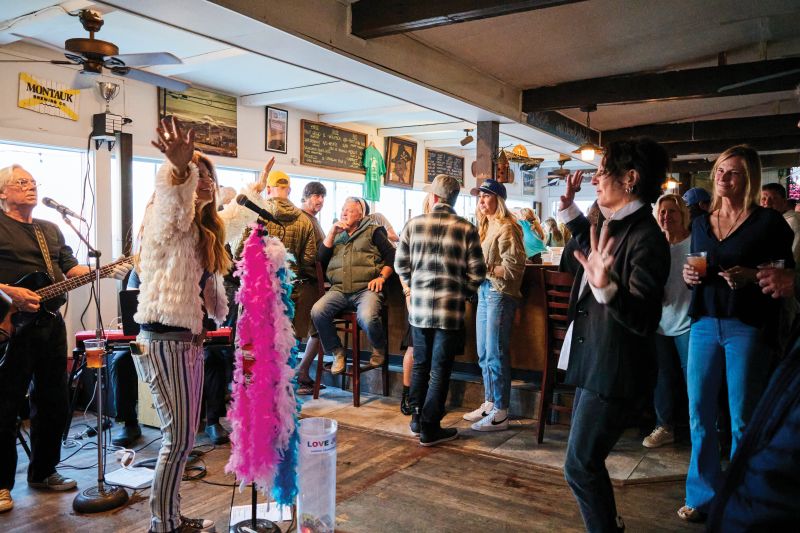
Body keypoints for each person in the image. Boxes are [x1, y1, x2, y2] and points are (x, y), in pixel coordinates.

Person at [0, 165, 127, 514]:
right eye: (20, 183)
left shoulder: (49, 230)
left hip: (50, 325)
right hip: (10, 326)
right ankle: (0, 484)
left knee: (54, 401)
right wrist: (11, 292)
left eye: (32, 182)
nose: (29, 187)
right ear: (2, 193)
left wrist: (108, 268)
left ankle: (43, 471)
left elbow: (71, 270)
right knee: (5, 404)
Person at [559, 138, 671, 532]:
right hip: (599, 362)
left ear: (631, 179)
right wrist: (569, 210)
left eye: (604, 170)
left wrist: (606, 289)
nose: (597, 178)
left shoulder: (648, 237)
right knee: (583, 462)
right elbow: (592, 254)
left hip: (616, 370)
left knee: (580, 464)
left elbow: (643, 317)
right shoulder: (620, 225)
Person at [680, 145, 794, 523]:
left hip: (746, 325)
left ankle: (746, 495)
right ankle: (704, 494)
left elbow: (783, 274)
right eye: (720, 171)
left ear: (749, 179)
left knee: (743, 415)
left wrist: (751, 274)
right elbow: (696, 269)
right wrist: (689, 276)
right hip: (703, 323)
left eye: (733, 173)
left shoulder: (769, 223)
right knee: (699, 413)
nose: (723, 178)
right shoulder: (700, 223)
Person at [134, 117, 231, 533]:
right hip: (165, 338)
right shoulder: (170, 219)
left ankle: (172, 516)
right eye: (199, 173)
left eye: (209, 173)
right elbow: (172, 203)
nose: (205, 179)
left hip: (189, 341)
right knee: (176, 440)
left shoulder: (204, 232)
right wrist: (178, 169)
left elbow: (213, 297)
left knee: (185, 441)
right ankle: (164, 524)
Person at [395, 174, 485, 446]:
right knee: (441, 368)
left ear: (433, 198)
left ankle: (416, 419)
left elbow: (401, 266)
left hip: (420, 310)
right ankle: (430, 427)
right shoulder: (466, 228)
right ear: (454, 199)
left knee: (421, 365)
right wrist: (463, 292)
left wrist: (417, 287)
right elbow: (478, 272)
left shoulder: (413, 225)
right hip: (451, 310)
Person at [221, 164, 317, 338]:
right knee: (284, 345)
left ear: (269, 189)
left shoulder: (254, 213)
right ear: (289, 190)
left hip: (258, 289)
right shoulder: (305, 220)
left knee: (257, 347)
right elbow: (309, 258)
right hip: (288, 290)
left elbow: (238, 251)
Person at [464, 179, 525, 431]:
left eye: (486, 196)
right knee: (484, 353)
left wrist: (484, 267)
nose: (481, 200)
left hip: (500, 294)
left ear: (498, 200)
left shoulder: (509, 227)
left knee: (496, 352)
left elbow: (513, 269)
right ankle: (489, 402)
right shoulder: (485, 225)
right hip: (484, 291)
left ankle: (501, 411)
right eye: (479, 196)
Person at [311, 197, 395, 375]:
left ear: (360, 214)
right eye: (342, 209)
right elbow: (320, 260)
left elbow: (392, 255)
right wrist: (331, 234)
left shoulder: (373, 230)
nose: (344, 212)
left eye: (349, 210)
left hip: (366, 289)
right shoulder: (337, 234)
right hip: (339, 290)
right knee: (317, 311)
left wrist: (382, 277)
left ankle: (379, 348)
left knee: (367, 317)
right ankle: (337, 351)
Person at [642, 194, 692, 449]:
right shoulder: (654, 244)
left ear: (683, 214)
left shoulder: (694, 243)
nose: (666, 216)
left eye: (672, 211)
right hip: (660, 322)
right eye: (662, 212)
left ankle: (702, 427)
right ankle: (665, 426)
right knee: (662, 377)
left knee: (693, 379)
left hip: (690, 322)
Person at [296, 181, 327, 395]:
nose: (320, 200)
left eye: (323, 196)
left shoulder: (312, 220)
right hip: (307, 284)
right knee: (310, 332)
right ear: (306, 196)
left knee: (316, 332)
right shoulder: (303, 220)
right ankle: (298, 375)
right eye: (317, 196)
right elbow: (309, 258)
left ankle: (302, 373)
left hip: (312, 283)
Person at [760, 182, 800, 266]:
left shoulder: (792, 221)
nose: (767, 203)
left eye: (774, 198)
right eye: (763, 198)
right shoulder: (767, 220)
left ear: (784, 202)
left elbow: (794, 255)